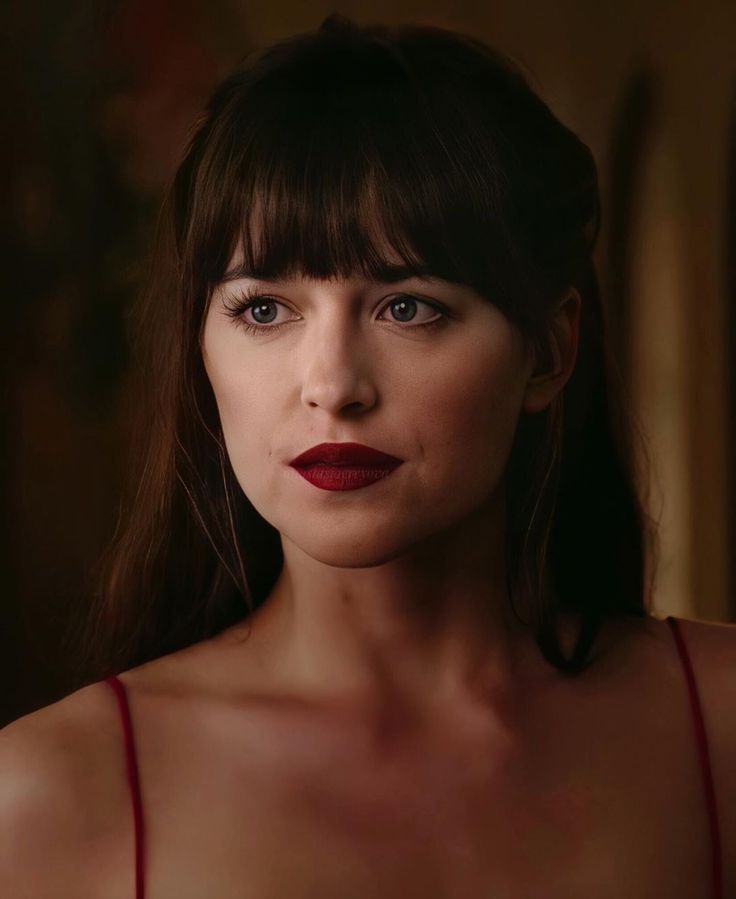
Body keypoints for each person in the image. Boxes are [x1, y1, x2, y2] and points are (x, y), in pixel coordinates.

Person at [1, 13, 734, 898]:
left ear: (547, 352)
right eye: (265, 309)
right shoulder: (45, 799)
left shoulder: (719, 726)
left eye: (407, 306)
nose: (332, 384)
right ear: (201, 350)